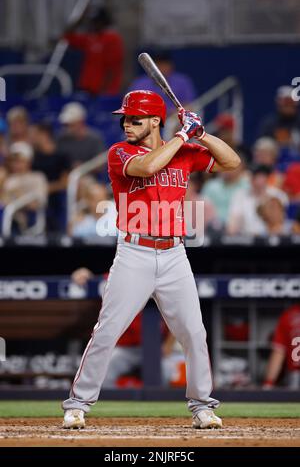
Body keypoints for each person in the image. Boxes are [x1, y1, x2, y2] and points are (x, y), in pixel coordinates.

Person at [62, 89, 241, 430]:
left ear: (155, 121)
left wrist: (202, 135)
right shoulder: (120, 153)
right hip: (134, 252)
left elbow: (232, 162)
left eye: (135, 119)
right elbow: (148, 166)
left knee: (193, 331)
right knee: (107, 331)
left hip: (174, 253)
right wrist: (181, 135)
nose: (127, 124)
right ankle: (78, 404)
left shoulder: (185, 151)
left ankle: (202, 406)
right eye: (126, 119)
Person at [63, 7, 124, 96]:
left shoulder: (112, 38)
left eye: (96, 21)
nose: (93, 24)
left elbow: (112, 67)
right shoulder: (90, 38)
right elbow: (67, 36)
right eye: (92, 22)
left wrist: (105, 90)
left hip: (104, 91)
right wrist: (81, 19)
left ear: (103, 22)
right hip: (88, 88)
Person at [129, 51, 196, 114]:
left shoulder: (182, 81)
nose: (162, 67)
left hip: (174, 117)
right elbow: (134, 104)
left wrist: (172, 113)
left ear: (171, 65)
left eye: (165, 64)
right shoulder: (140, 83)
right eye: (158, 64)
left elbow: (189, 103)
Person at [263, 304, 300, 389]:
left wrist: (268, 384)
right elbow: (279, 352)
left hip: (296, 376)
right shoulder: (289, 315)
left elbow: (278, 353)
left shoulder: (289, 315)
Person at [57, 102, 105, 167]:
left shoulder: (94, 139)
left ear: (80, 122)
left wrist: (83, 167)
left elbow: (100, 165)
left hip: (86, 174)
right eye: (66, 125)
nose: (68, 128)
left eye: (71, 125)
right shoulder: (61, 138)